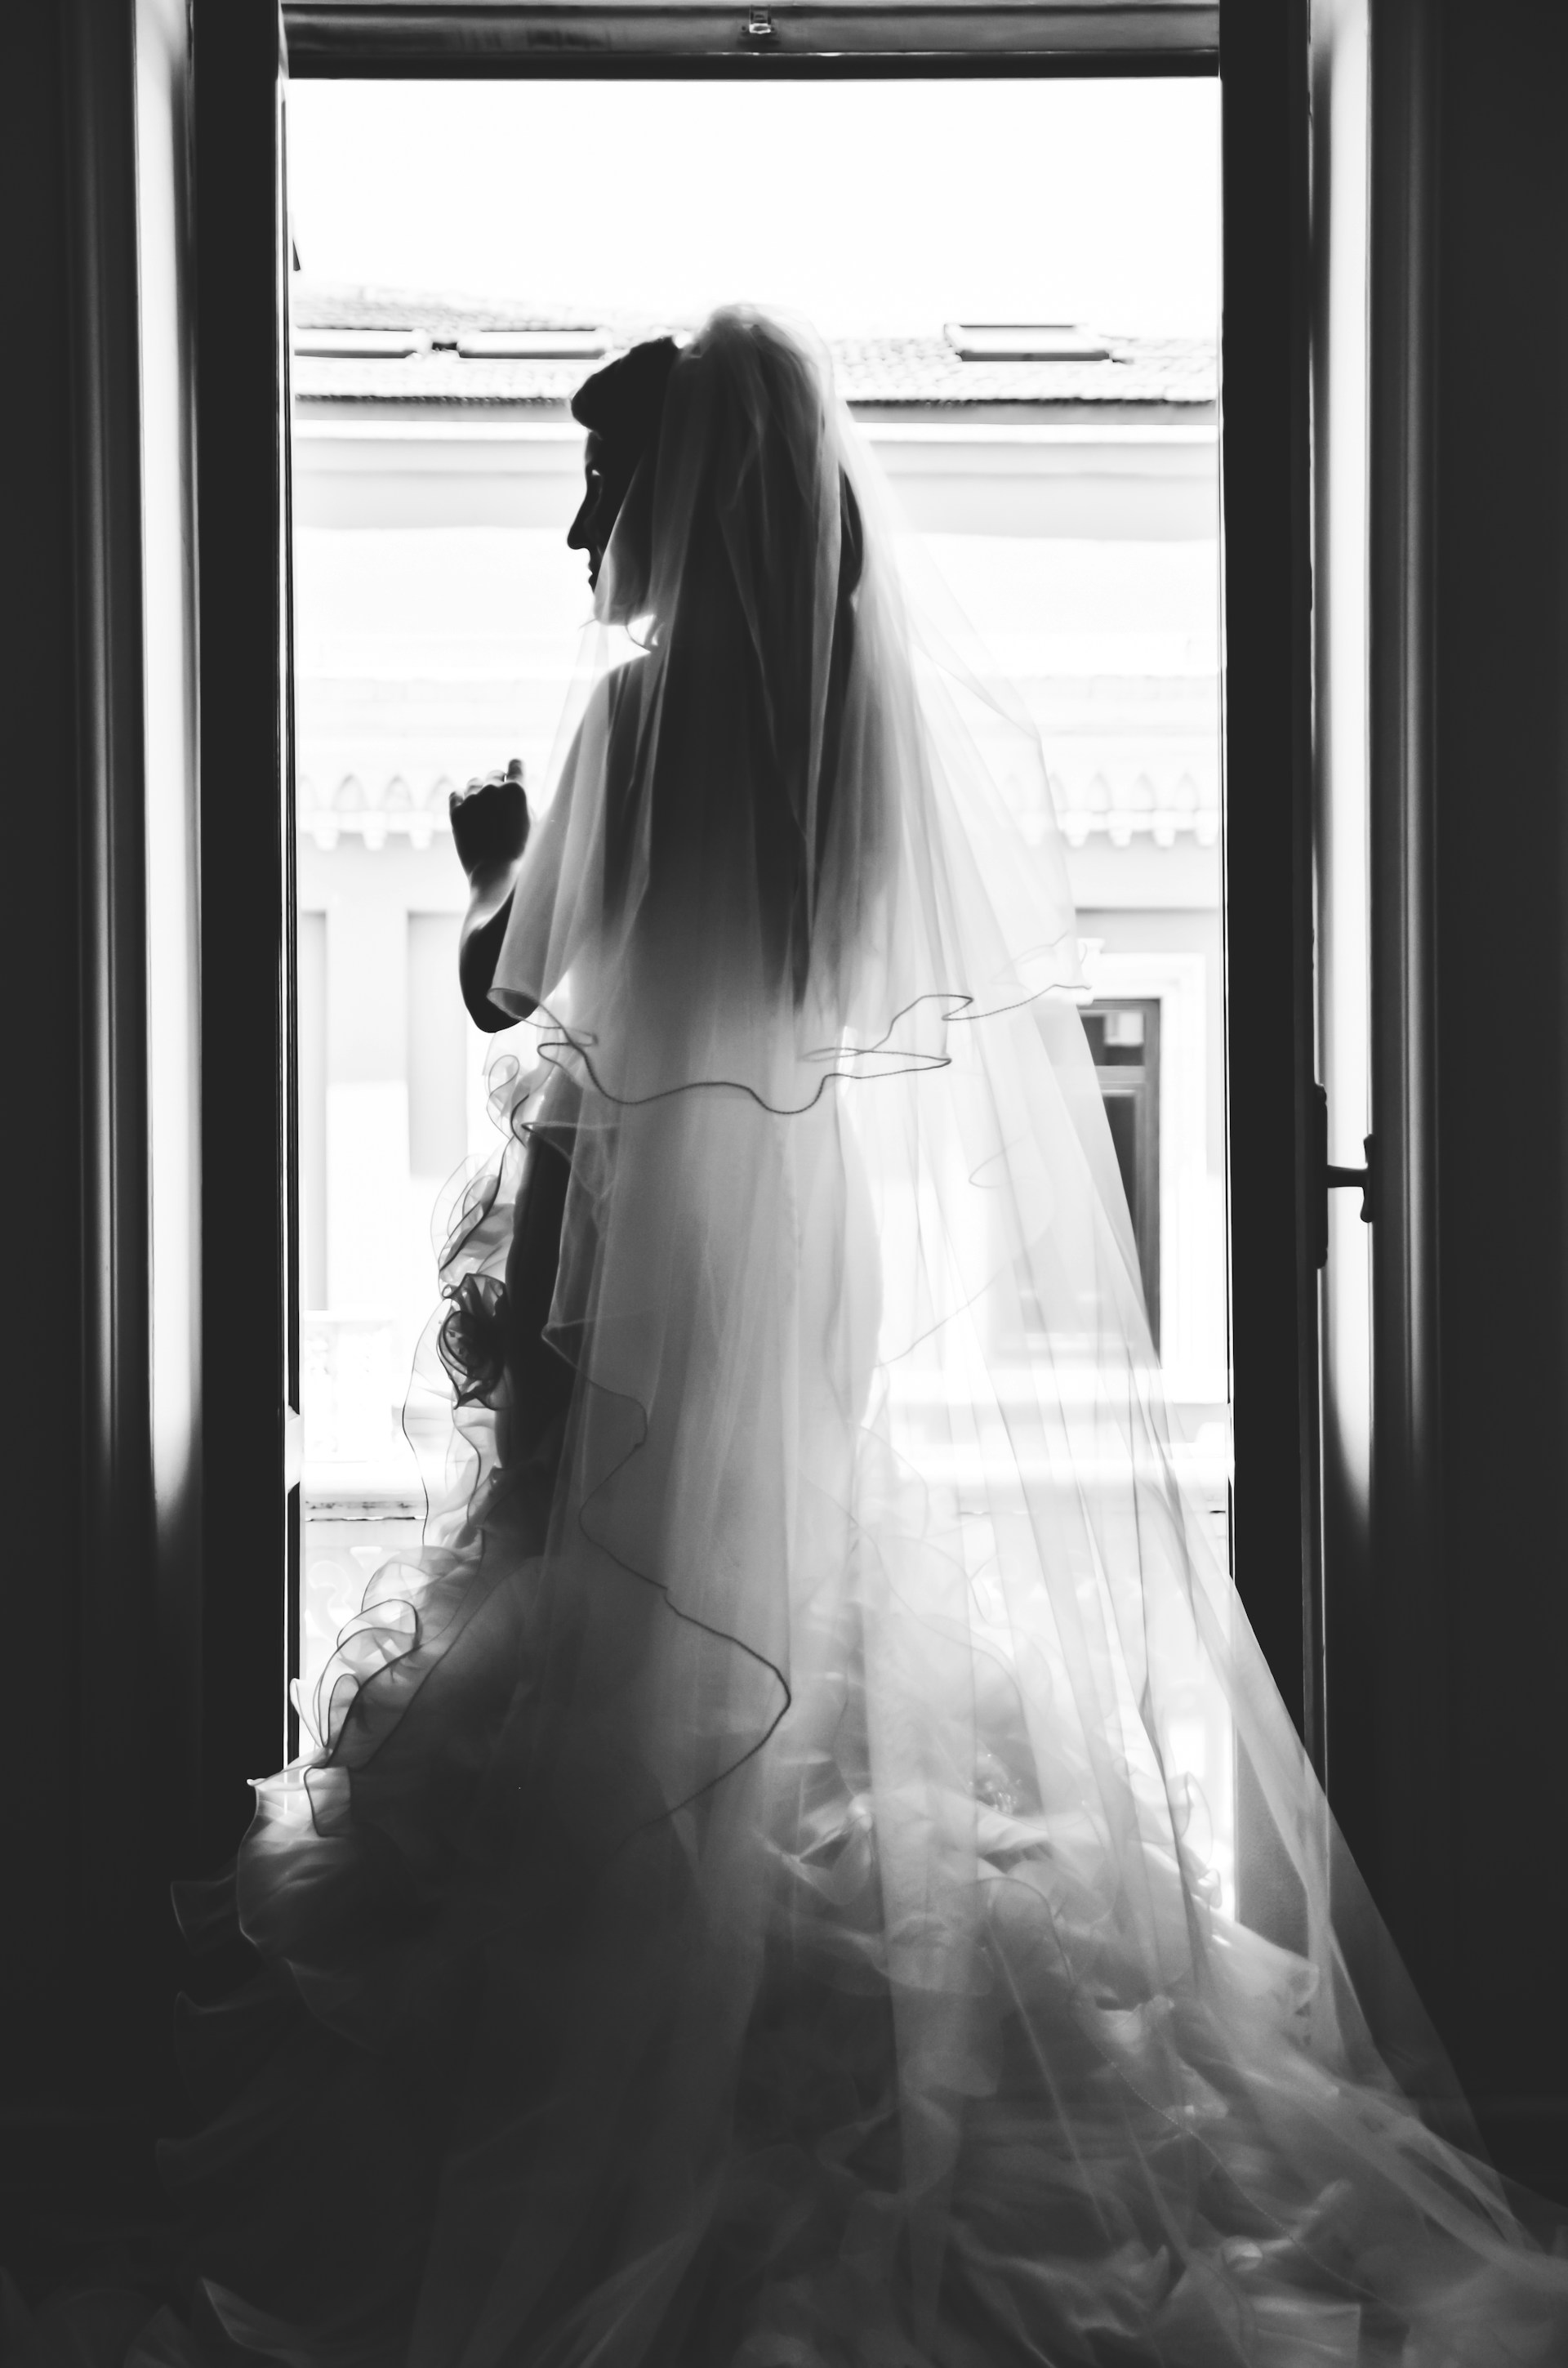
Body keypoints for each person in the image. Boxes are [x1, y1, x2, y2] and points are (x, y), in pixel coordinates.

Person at [168, 308, 1568, 2368]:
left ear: (671, 498)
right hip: (792, 1241)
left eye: (600, 488)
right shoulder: (841, 746)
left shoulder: (629, 729)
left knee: (600, 1622)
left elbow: (521, 988)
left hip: (629, 1215)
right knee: (782, 1609)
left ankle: (595, 2142)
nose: (578, 536)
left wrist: (485, 864)